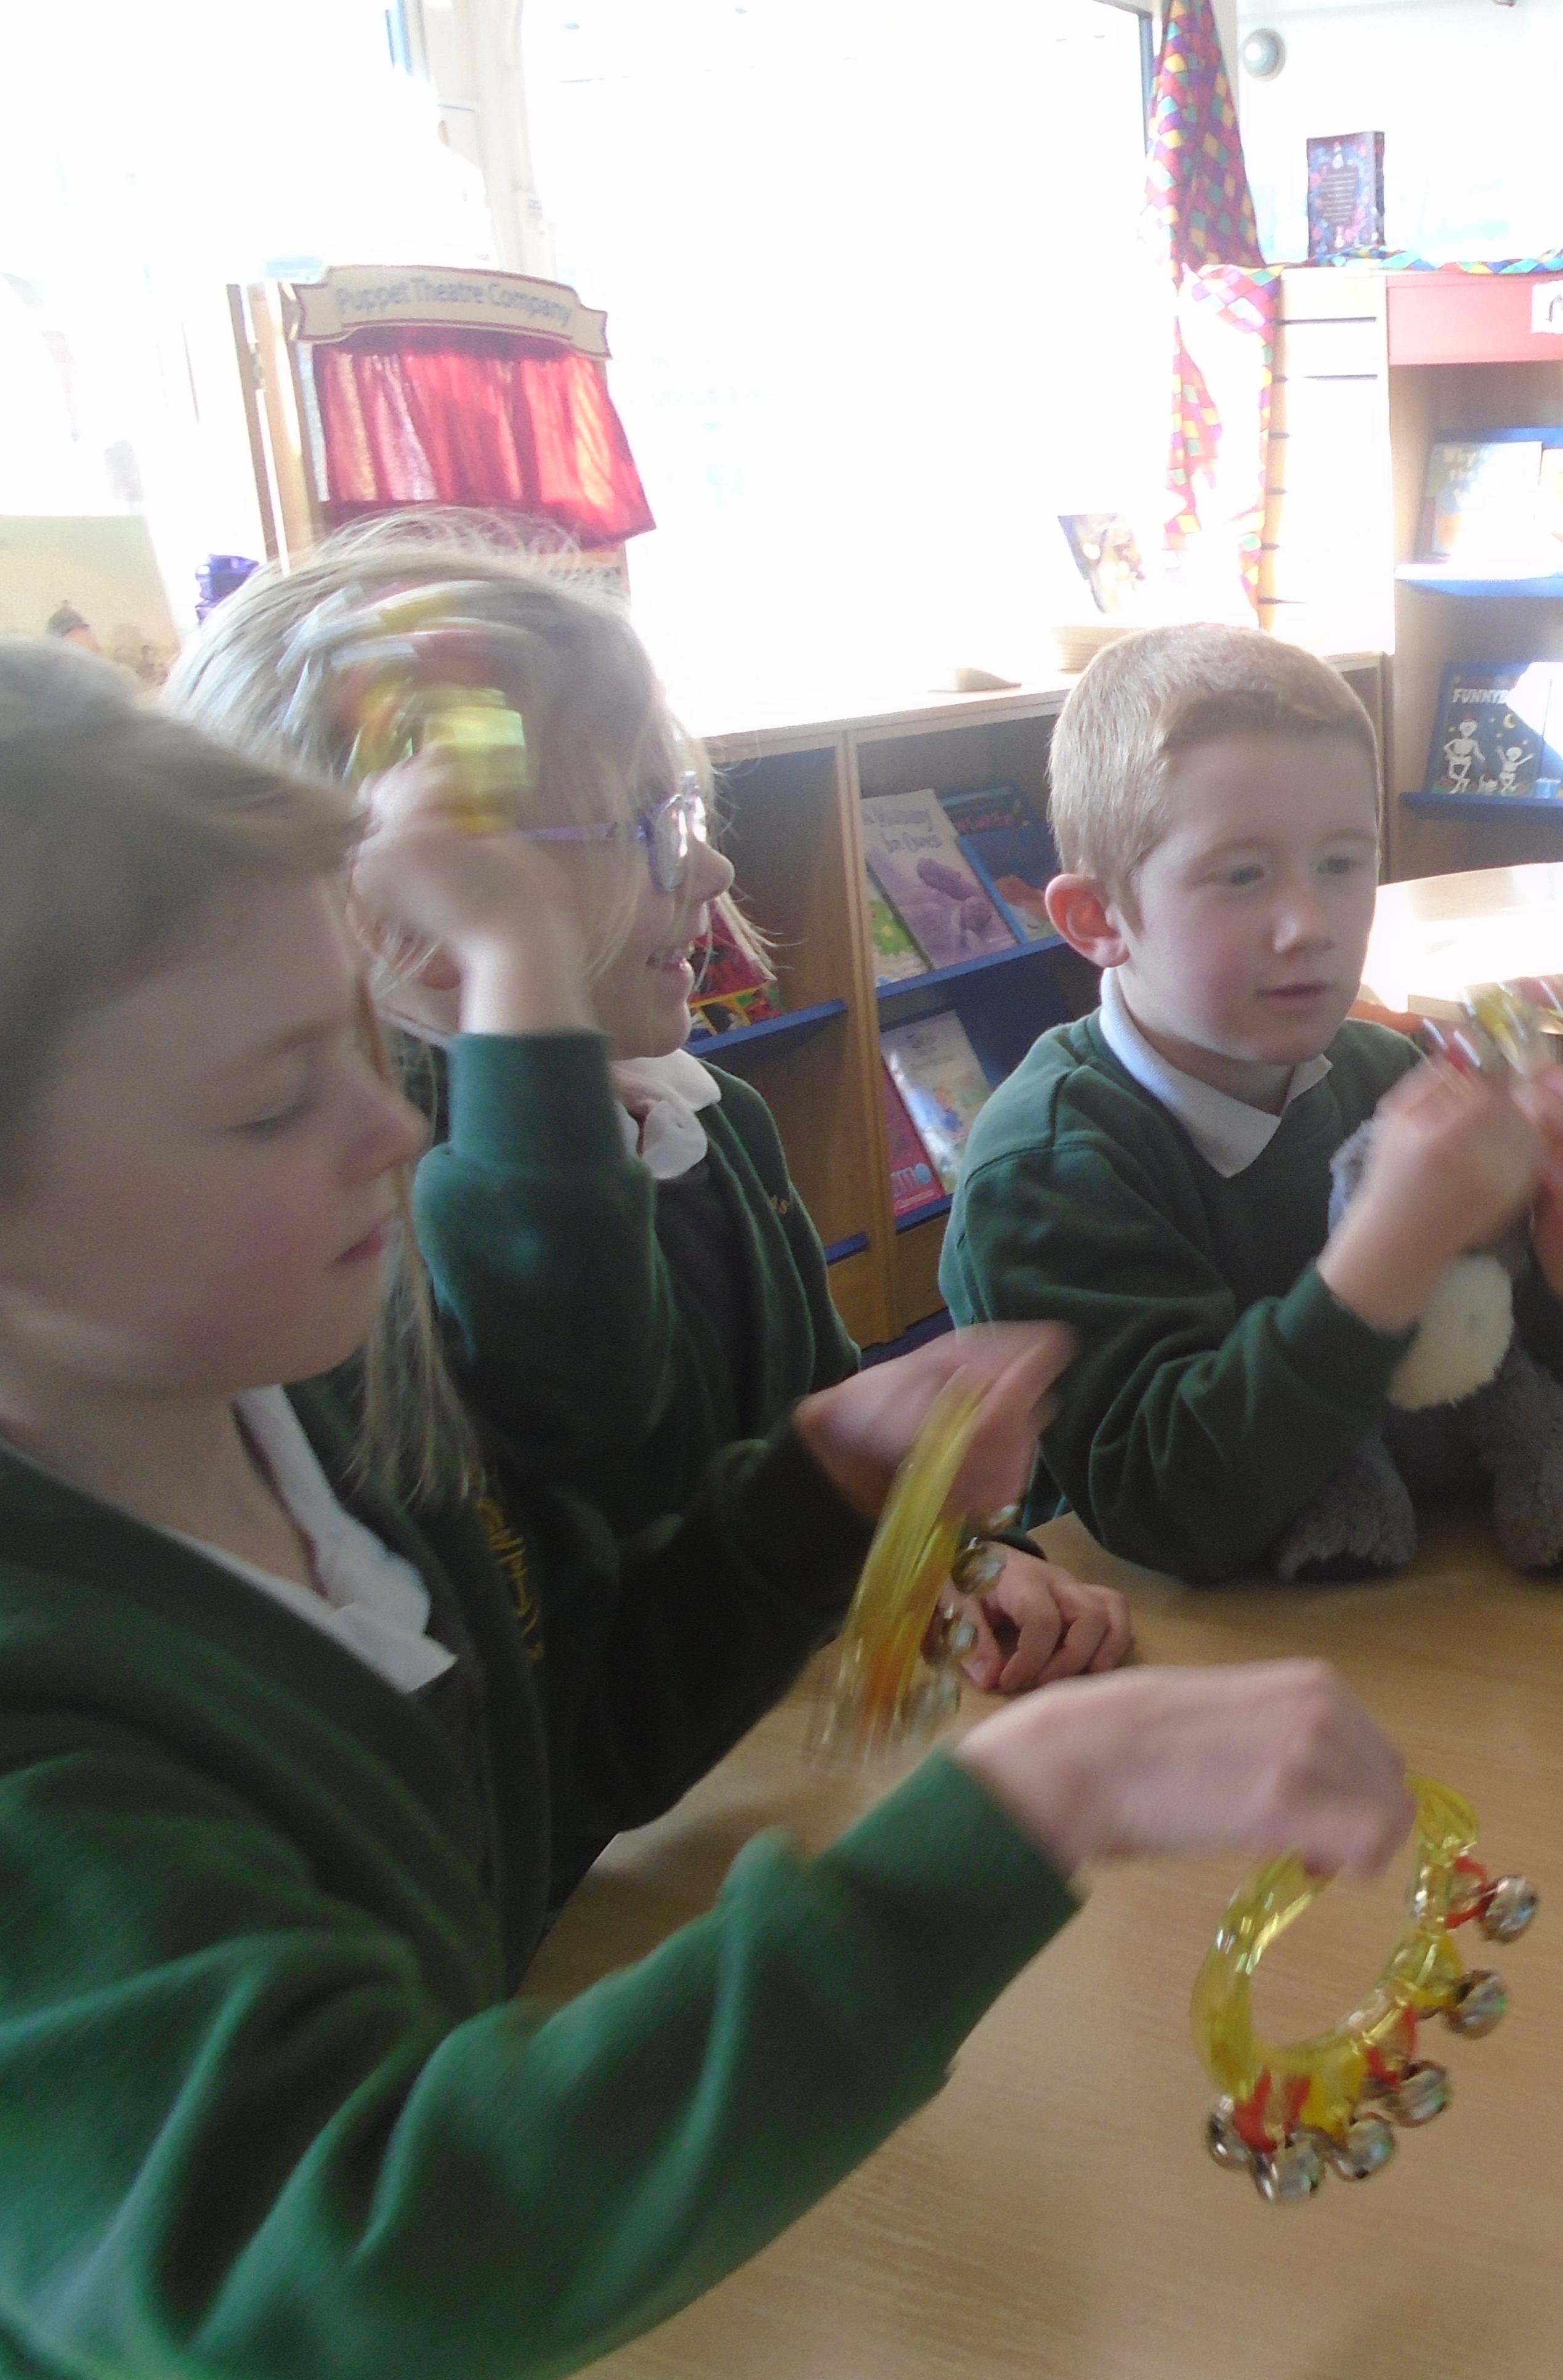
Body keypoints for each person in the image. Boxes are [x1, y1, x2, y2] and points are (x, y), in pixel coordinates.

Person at [0, 652, 1414, 2377]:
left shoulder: (314, 1410)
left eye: (355, 1053)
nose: (388, 1125)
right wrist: (1024, 1810)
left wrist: (819, 1497)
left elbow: (558, 1757)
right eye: (270, 1097)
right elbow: (352, 2261)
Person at [168, 533, 1125, 1688]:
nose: (711, 874)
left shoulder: (706, 1116)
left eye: (686, 814)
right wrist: (520, 955)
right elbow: (576, 1390)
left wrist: (956, 1556)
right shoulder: (369, 1188)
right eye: (648, 829)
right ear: (414, 891)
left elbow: (826, 1432)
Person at [938, 624, 1563, 1583]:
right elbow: (1166, 1506)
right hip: (1171, 1646)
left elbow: (1552, 1382)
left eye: (1343, 863)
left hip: (1416, 1611)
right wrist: (1390, 1250)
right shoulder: (1050, 1164)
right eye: (1242, 875)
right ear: (1099, 919)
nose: (1309, 924)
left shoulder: (1388, 1073)